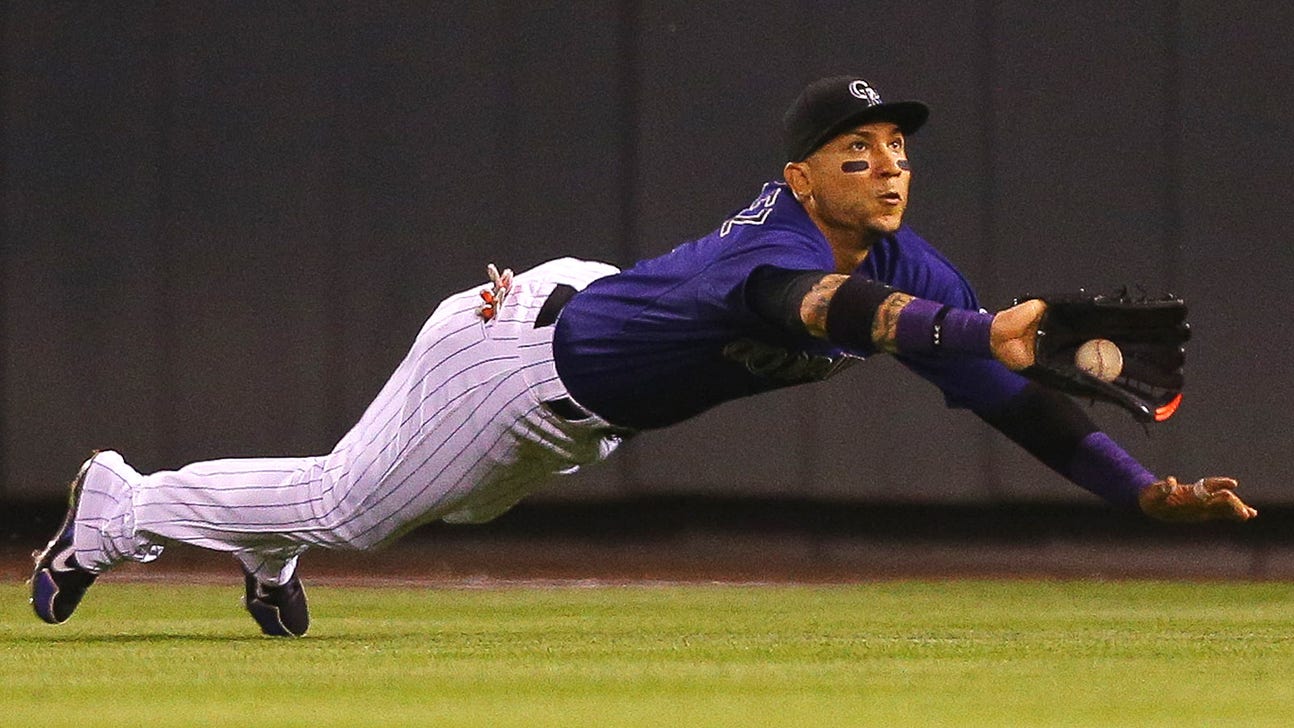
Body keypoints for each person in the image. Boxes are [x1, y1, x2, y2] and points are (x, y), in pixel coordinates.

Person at [31, 75, 1256, 637]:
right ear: (799, 176)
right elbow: (810, 309)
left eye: (893, 146)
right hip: (518, 361)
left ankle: (264, 524)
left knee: (413, 506)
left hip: (578, 343)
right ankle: (117, 504)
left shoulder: (914, 269)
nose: (884, 165)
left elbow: (1007, 397)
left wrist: (1138, 491)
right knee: (356, 508)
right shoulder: (774, 251)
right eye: (854, 150)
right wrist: (973, 327)